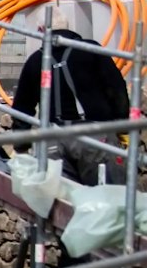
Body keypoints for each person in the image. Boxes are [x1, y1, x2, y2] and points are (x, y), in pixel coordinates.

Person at [11, 28, 131, 185]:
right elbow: (116, 89)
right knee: (108, 194)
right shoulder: (90, 50)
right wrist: (123, 126)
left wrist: (21, 146)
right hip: (95, 136)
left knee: (64, 196)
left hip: (52, 140)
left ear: (42, 31)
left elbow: (22, 107)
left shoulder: (35, 60)